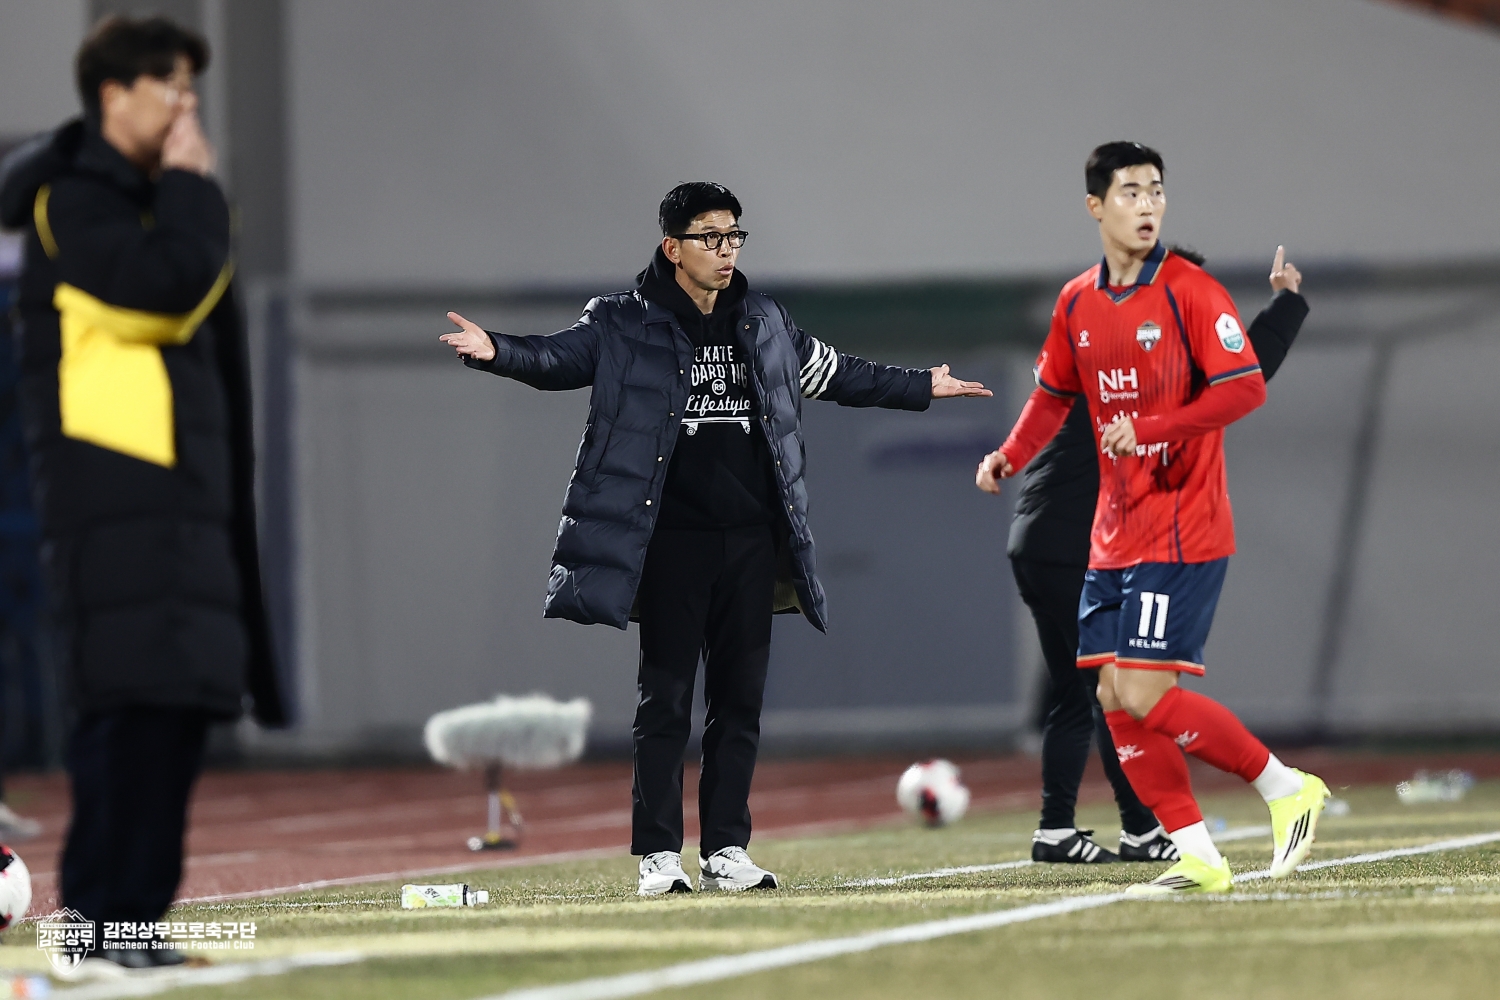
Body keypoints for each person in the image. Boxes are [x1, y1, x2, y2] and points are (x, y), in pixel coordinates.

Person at [441, 182, 990, 896]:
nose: (726, 250)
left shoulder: (765, 320)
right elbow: (558, 359)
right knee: (665, 701)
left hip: (751, 539)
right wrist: (495, 351)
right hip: (672, 539)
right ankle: (658, 856)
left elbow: (834, 372)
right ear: (672, 248)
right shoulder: (622, 321)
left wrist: (918, 386)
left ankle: (727, 849)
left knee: (739, 704)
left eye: (733, 236)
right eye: (710, 236)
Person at [0, 15, 285, 969]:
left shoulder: (155, 203)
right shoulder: (70, 202)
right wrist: (198, 190)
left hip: (178, 496)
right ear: (114, 95)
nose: (186, 108)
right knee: (125, 710)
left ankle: (134, 925)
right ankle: (94, 923)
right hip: (109, 496)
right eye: (170, 86)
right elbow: (164, 294)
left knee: (178, 706)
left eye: (192, 89)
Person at [976, 142, 1327, 894]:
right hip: (1112, 533)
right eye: (1130, 191)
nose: (1147, 204)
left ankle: (1284, 786)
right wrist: (1009, 454)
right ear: (1095, 206)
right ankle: (1198, 855)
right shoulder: (1077, 301)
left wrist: (1154, 427)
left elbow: (1245, 386)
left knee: (1141, 694)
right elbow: (1052, 395)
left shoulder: (1191, 291)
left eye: (1156, 191)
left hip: (1181, 526)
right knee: (1111, 697)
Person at [1011, 244, 1307, 865]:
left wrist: (1284, 304)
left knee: (1089, 690)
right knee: (1124, 691)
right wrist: (1285, 306)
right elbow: (1242, 374)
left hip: (1041, 538)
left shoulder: (1111, 344)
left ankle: (1065, 828)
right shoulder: (1148, 355)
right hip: (1092, 540)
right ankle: (1182, 818)